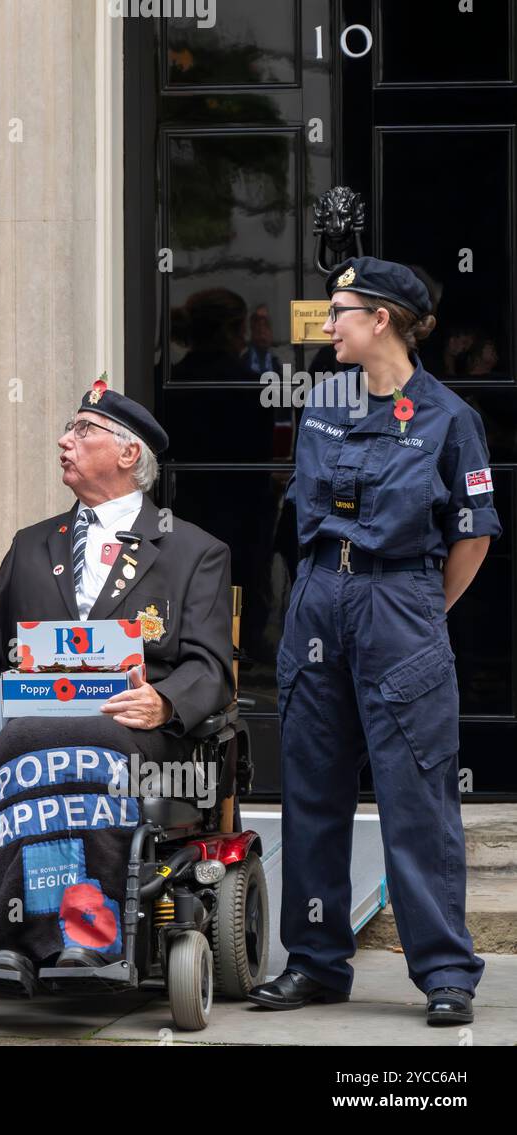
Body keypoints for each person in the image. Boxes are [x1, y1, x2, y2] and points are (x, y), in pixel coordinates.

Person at [248, 256, 500, 1026]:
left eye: (339, 312)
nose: (328, 327)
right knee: (312, 787)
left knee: (417, 796)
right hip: (321, 595)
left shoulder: (450, 418)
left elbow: (473, 534)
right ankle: (317, 962)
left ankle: (446, 971)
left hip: (400, 600)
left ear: (381, 319)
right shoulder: (324, 403)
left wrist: (422, 609)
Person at [0, 379, 234, 975]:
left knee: (66, 744)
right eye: (70, 429)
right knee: (26, 739)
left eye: (83, 431)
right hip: (40, 716)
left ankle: (77, 934)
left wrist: (164, 703)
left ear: (128, 454)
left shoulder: (193, 551)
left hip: (136, 726)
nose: (64, 440)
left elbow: (209, 667)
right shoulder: (32, 544)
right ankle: (26, 938)